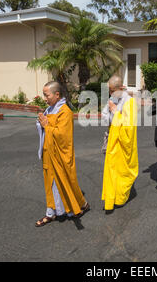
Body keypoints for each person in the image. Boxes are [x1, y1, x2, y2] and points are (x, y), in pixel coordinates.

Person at [35, 81, 89, 227]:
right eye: (44, 95)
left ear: (57, 95)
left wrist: (46, 125)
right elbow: (47, 129)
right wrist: (41, 124)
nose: (44, 98)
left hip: (60, 155)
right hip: (49, 153)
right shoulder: (49, 109)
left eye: (47, 95)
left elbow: (62, 137)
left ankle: (80, 205)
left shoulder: (65, 112)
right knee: (51, 184)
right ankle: (51, 213)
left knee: (66, 181)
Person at [101, 76, 138, 211]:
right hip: (112, 139)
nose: (110, 94)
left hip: (123, 141)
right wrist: (113, 113)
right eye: (109, 91)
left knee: (122, 171)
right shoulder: (112, 99)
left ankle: (121, 197)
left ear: (121, 88)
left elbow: (129, 127)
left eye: (112, 90)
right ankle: (112, 196)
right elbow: (104, 116)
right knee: (112, 170)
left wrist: (116, 112)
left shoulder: (130, 102)